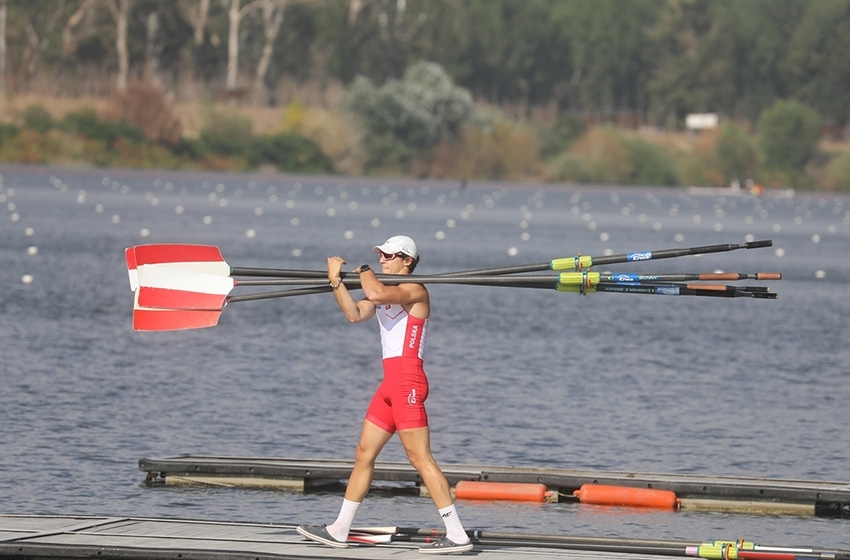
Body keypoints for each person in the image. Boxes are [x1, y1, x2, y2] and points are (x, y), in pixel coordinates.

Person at [297, 235, 473, 555]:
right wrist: (336, 282)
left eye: (390, 255)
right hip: (389, 385)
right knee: (364, 454)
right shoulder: (383, 292)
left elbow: (375, 292)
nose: (383, 259)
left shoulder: (416, 290)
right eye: (380, 255)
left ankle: (457, 533)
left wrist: (362, 269)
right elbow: (354, 313)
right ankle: (339, 529)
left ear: (407, 261)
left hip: (408, 381)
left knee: (420, 458)